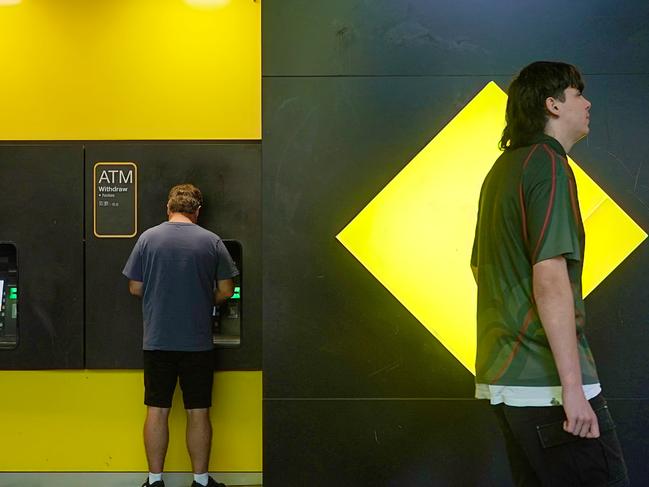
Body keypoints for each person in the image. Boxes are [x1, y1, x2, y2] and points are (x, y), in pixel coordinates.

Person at [471, 62, 629, 486]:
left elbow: (480, 269)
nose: (588, 102)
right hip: (548, 386)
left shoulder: (501, 171)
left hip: (506, 382)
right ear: (553, 104)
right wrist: (572, 390)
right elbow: (550, 279)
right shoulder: (549, 164)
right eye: (578, 94)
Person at [123, 183, 238, 487]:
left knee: (157, 410)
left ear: (168, 207)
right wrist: (201, 299)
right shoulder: (211, 241)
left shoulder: (147, 239)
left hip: (158, 340)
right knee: (198, 411)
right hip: (197, 343)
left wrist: (160, 295)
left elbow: (134, 287)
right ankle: (200, 481)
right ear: (197, 211)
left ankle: (155, 480)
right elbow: (227, 290)